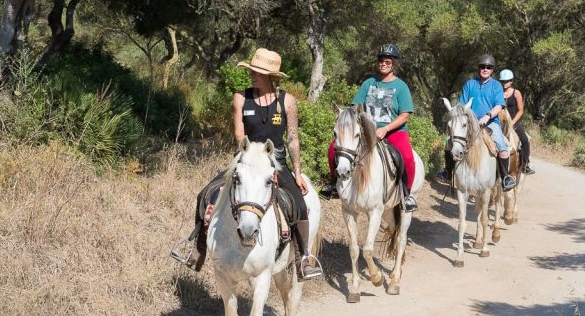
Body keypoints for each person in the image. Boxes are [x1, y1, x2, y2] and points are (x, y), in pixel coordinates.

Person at [177, 48, 321, 280]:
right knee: (205, 194)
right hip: (246, 159)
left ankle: (302, 258)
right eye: (252, 70)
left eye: (258, 72)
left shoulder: (287, 101)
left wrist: (297, 172)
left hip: (277, 162)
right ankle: (198, 249)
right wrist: (248, 155)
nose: (253, 75)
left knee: (300, 205)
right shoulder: (240, 97)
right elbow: (238, 133)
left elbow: (293, 139)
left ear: (271, 76)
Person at [320, 43, 418, 212]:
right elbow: (355, 107)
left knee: (407, 158)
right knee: (332, 149)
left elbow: (405, 115)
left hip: (393, 131)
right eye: (381, 61)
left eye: (387, 61)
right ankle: (334, 183)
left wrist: (386, 129)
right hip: (366, 131)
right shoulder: (368, 83)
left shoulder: (401, 87)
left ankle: (406, 194)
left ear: (394, 64)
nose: (383, 64)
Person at [459, 54, 516, 190]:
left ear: (492, 70)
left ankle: (505, 178)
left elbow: (499, 105)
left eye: (488, 67)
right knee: (450, 142)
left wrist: (487, 116)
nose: (485, 69)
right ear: (478, 68)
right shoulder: (470, 84)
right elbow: (462, 104)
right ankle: (447, 172)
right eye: (482, 67)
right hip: (470, 122)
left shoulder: (496, 85)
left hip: (490, 122)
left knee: (503, 149)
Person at [499, 69, 534, 175]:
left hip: (513, 123)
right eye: (503, 81)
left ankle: (526, 164)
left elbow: (521, 110)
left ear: (511, 81)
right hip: (499, 122)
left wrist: (513, 122)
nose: (504, 83)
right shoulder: (498, 92)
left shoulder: (516, 93)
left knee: (524, 139)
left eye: (507, 81)